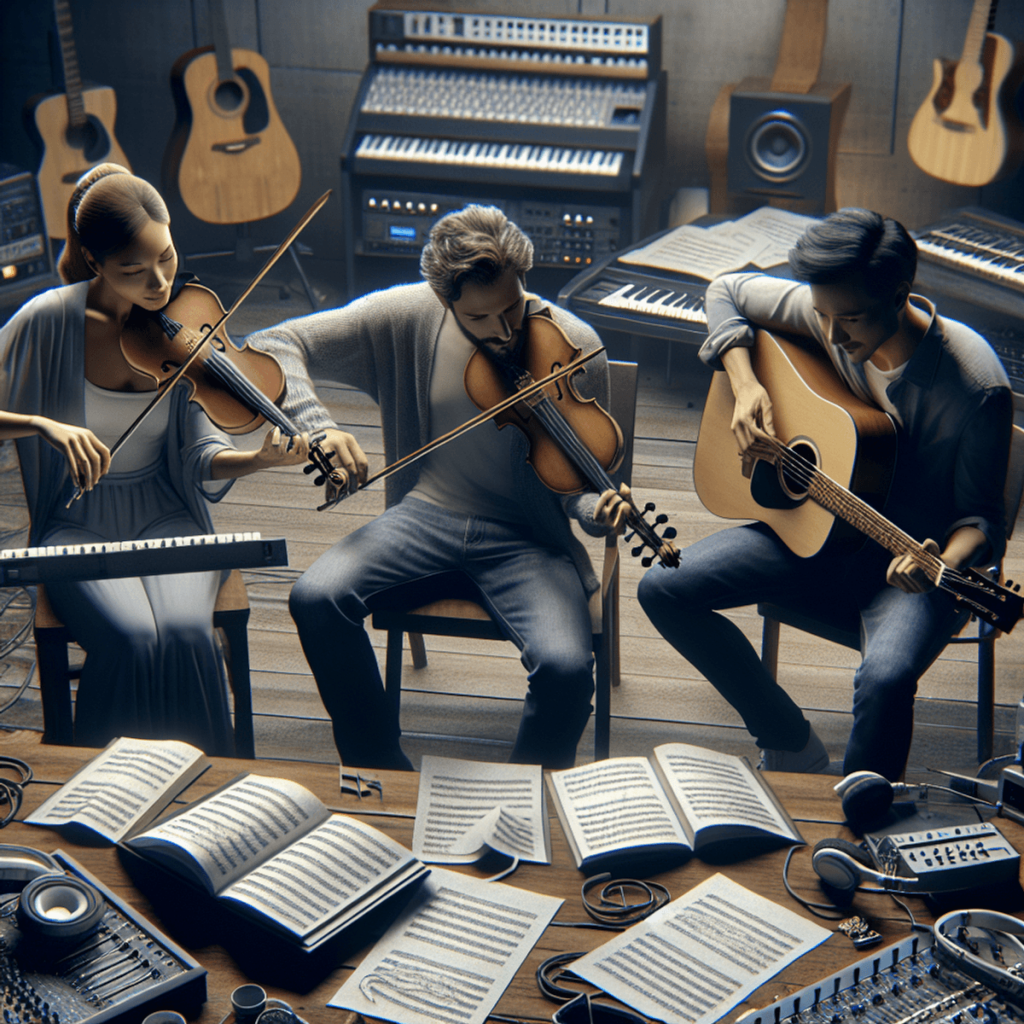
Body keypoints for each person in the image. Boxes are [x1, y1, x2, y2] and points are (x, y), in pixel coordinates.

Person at [246, 204, 629, 770]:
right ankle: (379, 764)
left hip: (529, 540)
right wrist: (318, 426)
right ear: (445, 301)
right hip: (424, 516)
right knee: (315, 598)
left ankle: (523, 792)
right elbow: (272, 342)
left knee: (567, 669)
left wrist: (598, 510)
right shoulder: (408, 315)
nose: (504, 332)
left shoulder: (574, 346)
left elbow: (578, 486)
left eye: (512, 308)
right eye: (480, 318)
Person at [638, 208, 1013, 781]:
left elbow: (982, 519)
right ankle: (788, 741)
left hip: (908, 562)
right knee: (663, 588)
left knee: (886, 677)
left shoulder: (976, 387)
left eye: (850, 320)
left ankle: (864, 815)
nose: (833, 335)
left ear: (899, 296)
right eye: (821, 316)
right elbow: (725, 290)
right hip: (818, 529)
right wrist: (746, 384)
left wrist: (940, 561)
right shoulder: (834, 306)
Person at [0, 163, 310, 753]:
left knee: (188, 633)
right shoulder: (50, 321)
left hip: (168, 513)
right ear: (94, 262)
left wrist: (256, 460)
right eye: (133, 271)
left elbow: (200, 454)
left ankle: (209, 778)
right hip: (77, 520)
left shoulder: (183, 324)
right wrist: (43, 424)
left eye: (167, 256)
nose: (160, 283)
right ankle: (105, 781)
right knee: (134, 638)